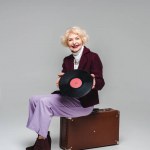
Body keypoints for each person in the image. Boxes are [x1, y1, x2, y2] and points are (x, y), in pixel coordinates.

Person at [26, 26, 105, 150]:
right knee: (34, 99)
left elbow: (101, 83)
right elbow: (68, 85)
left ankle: (42, 143)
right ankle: (43, 136)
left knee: (43, 102)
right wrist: (62, 82)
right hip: (68, 98)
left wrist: (93, 81)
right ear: (66, 43)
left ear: (83, 40)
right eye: (70, 40)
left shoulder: (93, 57)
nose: (74, 42)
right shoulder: (67, 60)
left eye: (77, 38)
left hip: (83, 104)